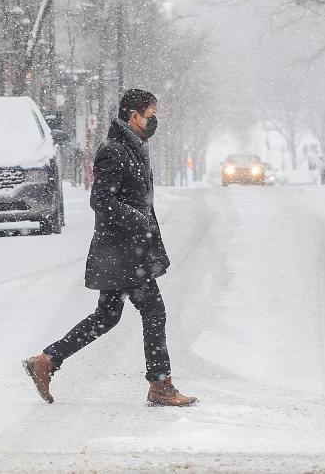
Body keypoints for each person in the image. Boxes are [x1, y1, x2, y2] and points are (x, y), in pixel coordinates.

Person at [23, 89, 197, 407]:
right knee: (153, 313)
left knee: (107, 316)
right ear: (134, 116)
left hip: (126, 250)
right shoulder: (114, 151)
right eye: (150, 114)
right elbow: (100, 200)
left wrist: (146, 230)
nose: (153, 121)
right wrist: (137, 221)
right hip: (122, 251)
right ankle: (160, 385)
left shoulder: (133, 148)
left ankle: (46, 361)